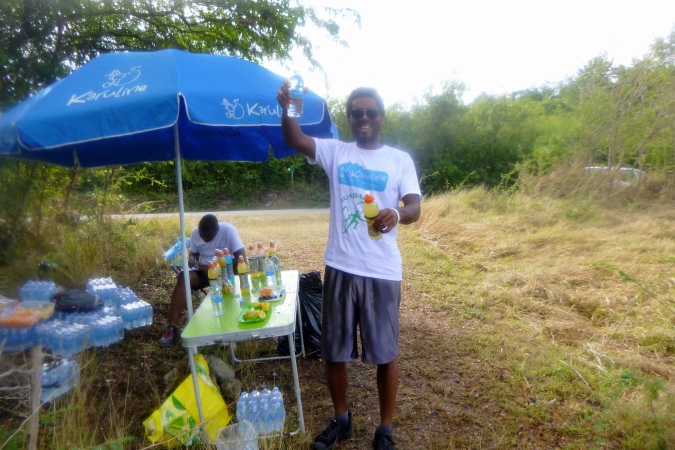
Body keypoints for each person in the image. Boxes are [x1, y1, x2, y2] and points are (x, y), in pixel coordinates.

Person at [277, 84, 422, 450]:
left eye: (370, 112)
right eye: (357, 113)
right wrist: (289, 109)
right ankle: (341, 421)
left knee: (386, 354)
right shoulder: (336, 152)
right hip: (341, 266)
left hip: (382, 271)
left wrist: (397, 213)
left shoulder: (399, 160)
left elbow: (415, 208)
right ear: (350, 118)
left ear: (381, 117)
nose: (364, 118)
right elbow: (294, 138)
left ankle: (384, 429)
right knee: (335, 351)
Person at [158, 214, 246, 347]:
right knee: (183, 278)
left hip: (226, 272)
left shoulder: (228, 231)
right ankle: (171, 328)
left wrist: (215, 266)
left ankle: (232, 325)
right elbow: (193, 254)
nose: (204, 238)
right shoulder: (195, 233)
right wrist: (192, 260)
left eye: (208, 236)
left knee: (228, 281)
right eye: (202, 235)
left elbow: (242, 258)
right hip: (203, 272)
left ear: (216, 229)